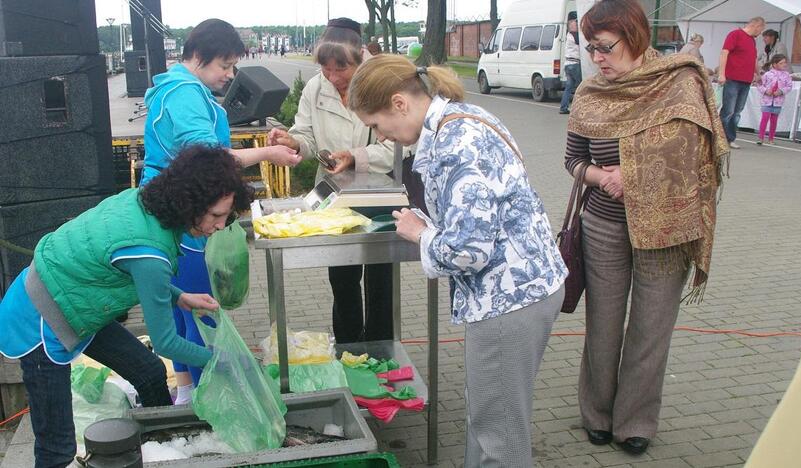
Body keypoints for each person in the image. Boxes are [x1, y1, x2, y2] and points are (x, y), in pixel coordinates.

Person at [348, 54, 568, 467]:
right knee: (491, 414)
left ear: (400, 103)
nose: (383, 137)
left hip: (508, 298)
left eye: (377, 125)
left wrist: (420, 233)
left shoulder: (454, 145)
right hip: (526, 286)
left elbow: (468, 250)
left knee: (498, 432)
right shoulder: (463, 117)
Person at [0, 146, 252, 468]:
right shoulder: (151, 252)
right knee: (57, 449)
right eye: (215, 215)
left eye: (225, 216)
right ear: (189, 203)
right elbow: (166, 342)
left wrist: (180, 297)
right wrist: (223, 360)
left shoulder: (149, 203)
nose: (219, 226)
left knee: (148, 372)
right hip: (39, 317)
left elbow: (131, 265)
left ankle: (163, 450)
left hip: (79, 300)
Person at [565, 0, 728, 455]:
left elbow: (700, 158)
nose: (597, 58)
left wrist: (633, 176)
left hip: (668, 228)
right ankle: (596, 413)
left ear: (635, 36)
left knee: (651, 328)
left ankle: (634, 422)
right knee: (604, 324)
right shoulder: (590, 92)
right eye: (590, 47)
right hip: (603, 225)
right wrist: (603, 177)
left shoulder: (680, 83)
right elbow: (573, 160)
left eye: (604, 47)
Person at [141, 18, 300, 400]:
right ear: (198, 56)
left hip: (169, 211)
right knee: (200, 308)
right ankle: (209, 395)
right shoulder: (184, 94)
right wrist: (268, 153)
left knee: (179, 306)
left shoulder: (173, 89)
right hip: (188, 214)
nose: (229, 75)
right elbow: (211, 159)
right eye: (224, 65)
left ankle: (186, 393)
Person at [267, 18, 395, 345]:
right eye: (326, 69)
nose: (333, 78)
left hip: (381, 194)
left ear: (359, 59)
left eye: (342, 69)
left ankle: (381, 347)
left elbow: (398, 145)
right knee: (342, 275)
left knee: (381, 278)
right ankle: (350, 345)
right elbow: (306, 134)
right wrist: (293, 142)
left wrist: (354, 156)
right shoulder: (316, 87)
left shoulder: (381, 84)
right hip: (335, 195)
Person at [719, 16, 766, 149]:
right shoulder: (735, 34)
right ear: (757, 26)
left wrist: (758, 73)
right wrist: (722, 73)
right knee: (728, 110)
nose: (760, 33)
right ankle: (721, 138)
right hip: (733, 78)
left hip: (745, 80)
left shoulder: (752, 40)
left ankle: (730, 138)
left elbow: (754, 58)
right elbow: (724, 53)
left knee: (737, 111)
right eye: (761, 29)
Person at [756, 54, 793, 145]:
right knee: (765, 118)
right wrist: (765, 91)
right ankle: (761, 137)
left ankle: (771, 138)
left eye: (785, 63)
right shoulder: (767, 74)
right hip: (767, 100)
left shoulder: (787, 75)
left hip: (778, 101)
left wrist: (781, 91)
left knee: (774, 120)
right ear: (774, 64)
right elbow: (760, 85)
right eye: (781, 63)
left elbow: (789, 86)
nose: (784, 65)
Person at [560, 11, 582, 115]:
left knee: (568, 88)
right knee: (581, 87)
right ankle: (580, 108)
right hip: (574, 64)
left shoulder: (568, 35)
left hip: (568, 64)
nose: (577, 25)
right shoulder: (575, 35)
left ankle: (563, 107)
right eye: (575, 23)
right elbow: (582, 44)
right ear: (572, 24)